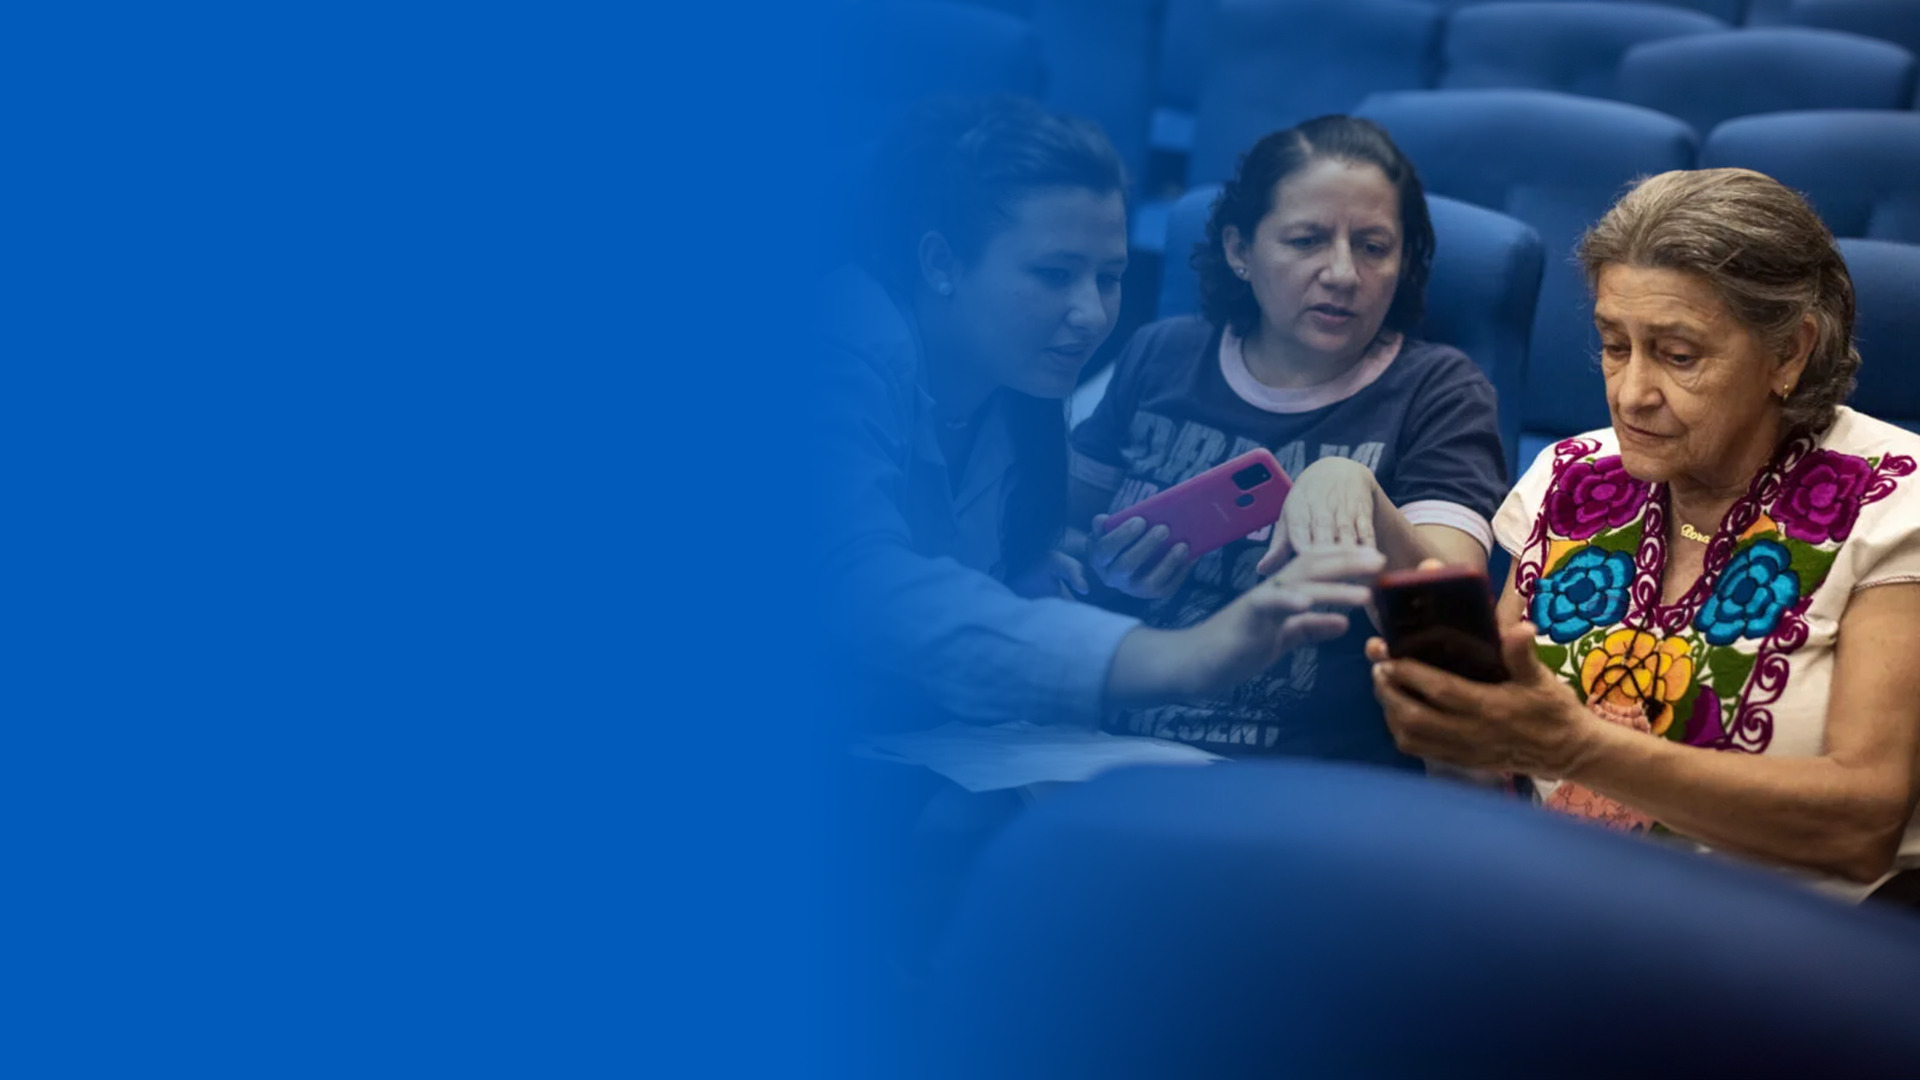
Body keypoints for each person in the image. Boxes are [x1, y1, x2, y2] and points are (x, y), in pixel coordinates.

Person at [1367, 167, 1920, 902]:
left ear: (1789, 353)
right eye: (1614, 345)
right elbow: (1494, 772)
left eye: (1678, 355)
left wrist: (1584, 751)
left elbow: (1862, 826)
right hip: (1547, 904)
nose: (1631, 394)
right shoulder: (1569, 477)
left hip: (1785, 946)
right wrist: (1453, 728)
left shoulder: (1895, 501)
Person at [820, 96, 1384, 736]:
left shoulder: (1017, 370)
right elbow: (859, 589)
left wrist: (1034, 581)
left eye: (1110, 277)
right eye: (1054, 273)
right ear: (941, 263)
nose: (1091, 314)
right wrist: (1184, 657)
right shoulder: (835, 351)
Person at [1067, 116, 1507, 765]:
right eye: (1306, 240)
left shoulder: (1439, 391)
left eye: (1374, 247)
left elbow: (1451, 643)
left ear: (1407, 261)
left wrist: (1361, 496)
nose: (1342, 273)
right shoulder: (1160, 353)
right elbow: (1053, 540)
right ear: (1240, 249)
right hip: (1104, 742)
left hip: (1305, 775)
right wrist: (1105, 574)